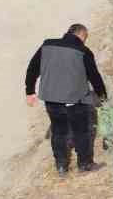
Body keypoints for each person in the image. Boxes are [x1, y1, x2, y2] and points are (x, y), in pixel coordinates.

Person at [25, 24, 106, 176]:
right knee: (81, 131)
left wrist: (29, 91)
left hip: (51, 99)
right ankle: (85, 164)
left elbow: (32, 68)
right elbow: (94, 76)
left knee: (58, 131)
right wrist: (103, 96)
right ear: (82, 35)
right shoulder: (83, 51)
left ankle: (61, 166)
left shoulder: (47, 45)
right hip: (75, 99)